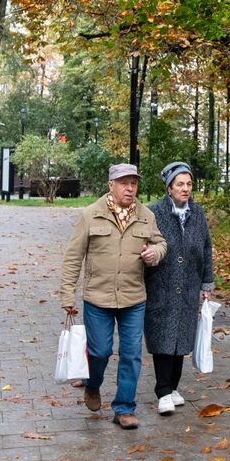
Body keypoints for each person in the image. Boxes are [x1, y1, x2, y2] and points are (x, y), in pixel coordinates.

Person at [60, 163, 166, 429]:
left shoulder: (146, 215)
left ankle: (124, 408)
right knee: (100, 352)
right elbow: (74, 256)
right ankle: (92, 384)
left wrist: (156, 253)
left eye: (133, 183)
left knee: (131, 354)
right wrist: (67, 294)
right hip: (98, 297)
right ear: (111, 185)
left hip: (133, 297)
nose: (130, 188)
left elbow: (160, 242)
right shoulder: (91, 215)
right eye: (124, 183)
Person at [145, 161, 214, 416]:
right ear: (169, 188)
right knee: (163, 338)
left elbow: (206, 248)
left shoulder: (198, 214)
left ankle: (173, 388)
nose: (185, 189)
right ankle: (163, 391)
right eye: (180, 184)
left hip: (188, 286)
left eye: (189, 184)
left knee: (181, 339)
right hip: (160, 285)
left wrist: (207, 283)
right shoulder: (154, 213)